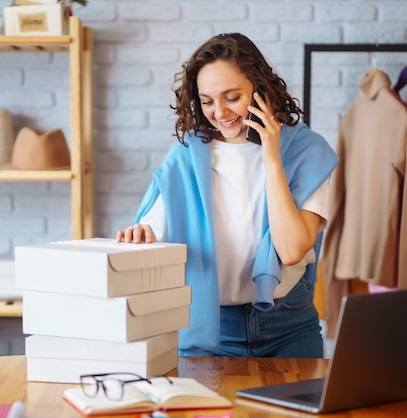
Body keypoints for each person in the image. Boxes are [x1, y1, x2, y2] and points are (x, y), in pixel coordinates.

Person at [115, 33, 339, 358]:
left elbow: (291, 250)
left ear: (260, 89)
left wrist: (272, 159)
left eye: (232, 97)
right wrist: (141, 235)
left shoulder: (307, 151)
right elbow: (152, 231)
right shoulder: (185, 158)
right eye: (207, 101)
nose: (219, 112)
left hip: (289, 326)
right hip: (211, 330)